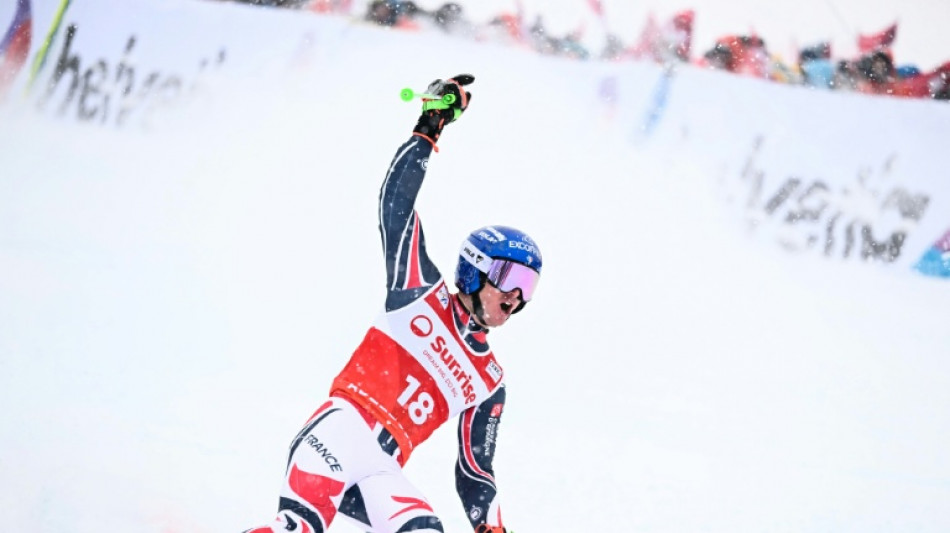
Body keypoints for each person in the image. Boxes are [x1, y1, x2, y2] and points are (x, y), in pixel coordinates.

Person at [244, 74, 543, 533]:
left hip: (380, 470)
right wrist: (429, 127)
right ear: (475, 268)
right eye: (511, 277)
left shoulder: (488, 380)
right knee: (298, 529)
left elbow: (475, 474)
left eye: (529, 286)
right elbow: (395, 205)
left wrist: (491, 527)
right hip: (340, 431)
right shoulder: (420, 290)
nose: (516, 296)